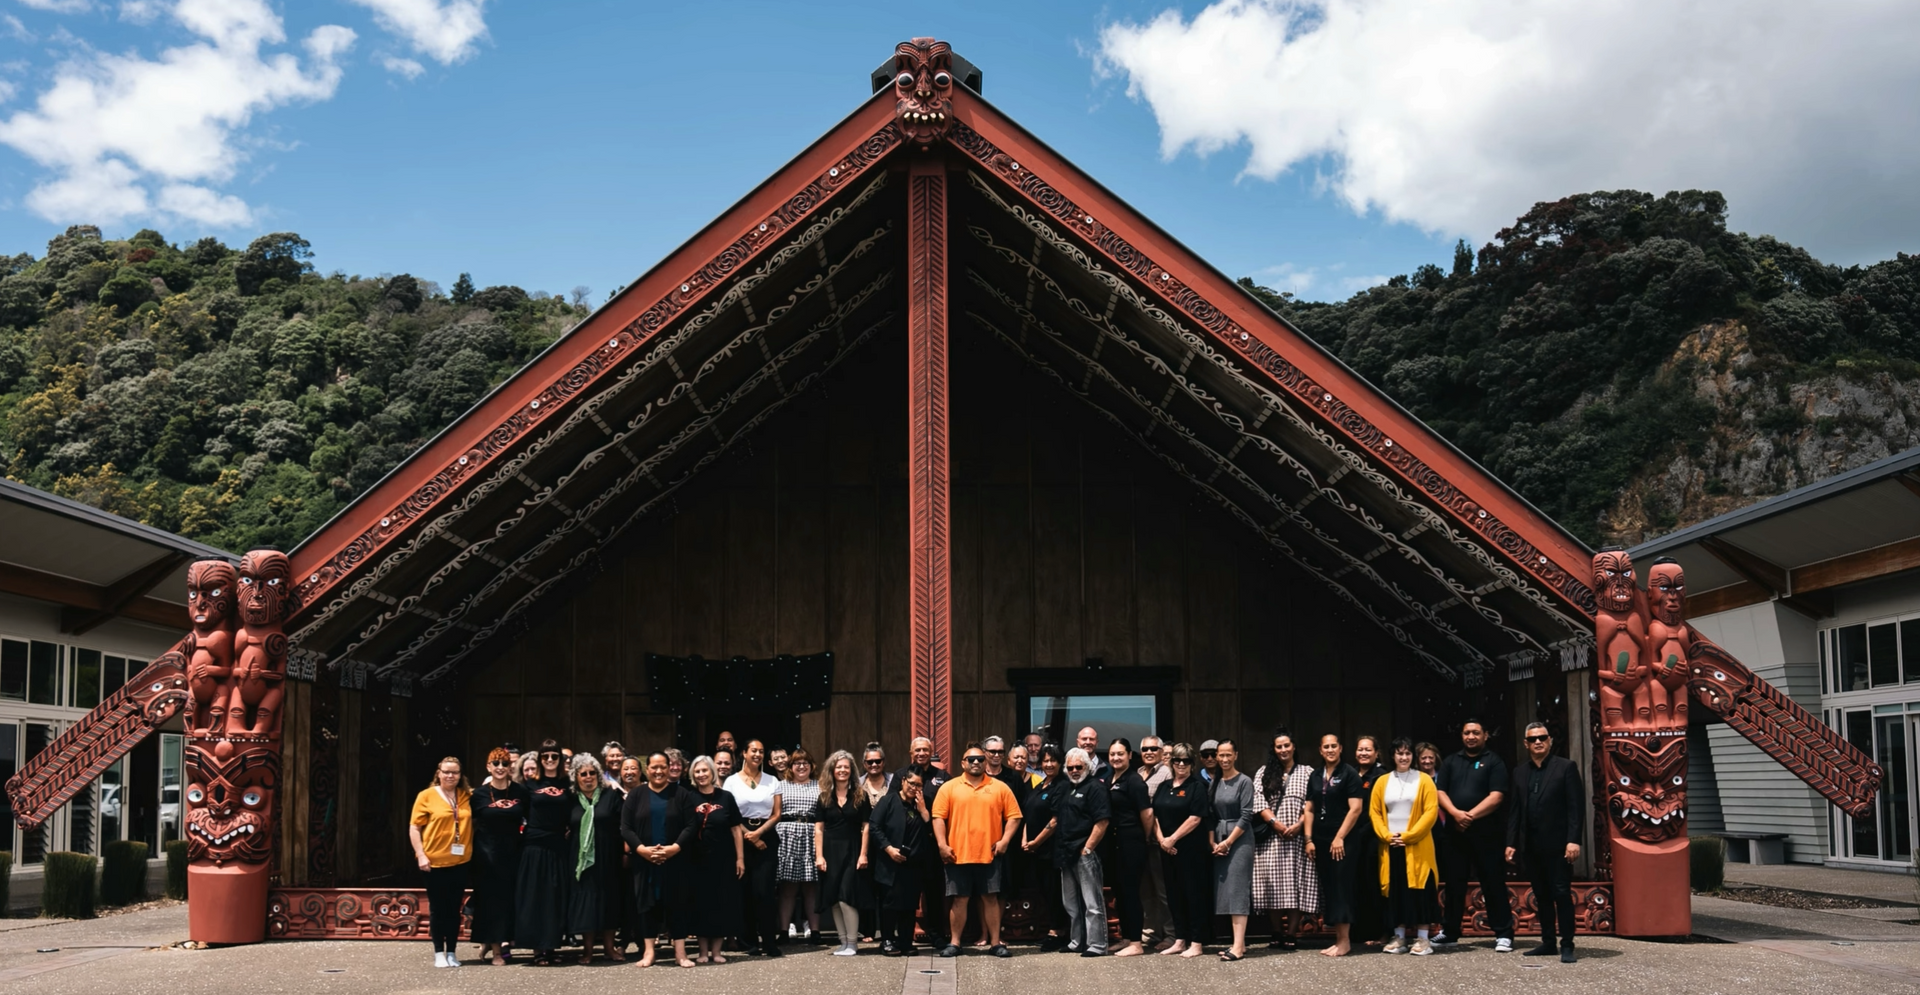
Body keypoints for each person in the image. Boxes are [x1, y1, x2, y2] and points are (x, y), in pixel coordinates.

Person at [932, 740, 1022, 958]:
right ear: (963, 763)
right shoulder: (949, 787)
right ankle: (954, 943)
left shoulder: (999, 787)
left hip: (989, 855)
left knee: (990, 899)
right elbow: (938, 818)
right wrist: (942, 845)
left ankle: (995, 943)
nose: (975, 762)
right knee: (959, 899)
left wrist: (1005, 841)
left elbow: (1014, 817)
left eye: (980, 759)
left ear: (985, 762)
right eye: (971, 759)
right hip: (957, 855)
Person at [1506, 722, 1583, 963]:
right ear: (1525, 743)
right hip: (1531, 845)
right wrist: (1511, 842)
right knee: (1541, 895)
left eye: (1543, 738)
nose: (1538, 742)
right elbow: (1514, 811)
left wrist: (1573, 840)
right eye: (1533, 739)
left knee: (1561, 893)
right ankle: (1548, 942)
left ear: (1549, 740)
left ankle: (1567, 943)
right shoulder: (1519, 772)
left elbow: (1575, 808)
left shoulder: (1566, 767)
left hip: (1559, 845)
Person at [1436, 718, 1514, 951]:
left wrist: (1468, 815)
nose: (1471, 737)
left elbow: (1497, 796)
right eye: (1467, 732)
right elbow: (1440, 791)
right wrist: (1454, 814)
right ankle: (1450, 931)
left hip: (1486, 833)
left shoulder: (1494, 761)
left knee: (1492, 882)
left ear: (1485, 735)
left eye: (1476, 733)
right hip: (1455, 832)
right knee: (1454, 883)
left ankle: (1503, 933)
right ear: (1462, 736)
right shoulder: (1451, 761)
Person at [621, 752, 695, 968]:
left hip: (675, 860)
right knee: (646, 906)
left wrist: (674, 848)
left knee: (677, 905)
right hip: (644, 861)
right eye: (654, 767)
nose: (659, 771)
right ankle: (649, 952)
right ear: (648, 769)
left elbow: (691, 825)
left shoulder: (681, 794)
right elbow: (625, 827)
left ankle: (680, 954)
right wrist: (642, 850)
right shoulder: (636, 795)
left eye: (663, 766)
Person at [1371, 738, 1441, 955]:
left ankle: (1422, 939)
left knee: (1421, 890)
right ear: (1392, 756)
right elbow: (1375, 812)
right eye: (1399, 753)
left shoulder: (1424, 780)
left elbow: (1431, 811)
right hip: (1391, 844)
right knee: (1396, 891)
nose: (1404, 757)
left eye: (1408, 753)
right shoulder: (1382, 781)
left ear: (1414, 756)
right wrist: (1386, 835)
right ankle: (1399, 938)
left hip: (1417, 846)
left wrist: (1410, 836)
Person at [1252, 729, 1316, 950]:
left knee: (1295, 884)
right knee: (1272, 884)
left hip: (1298, 837)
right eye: (1279, 746)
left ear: (1294, 746)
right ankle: (1276, 930)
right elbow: (1258, 799)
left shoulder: (1307, 772)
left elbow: (1312, 802)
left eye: (1286, 745)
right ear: (1274, 749)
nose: (1283, 750)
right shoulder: (1263, 772)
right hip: (1272, 836)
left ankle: (1291, 933)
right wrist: (1275, 823)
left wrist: (1299, 825)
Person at [1301, 733, 1362, 957]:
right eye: (1326, 746)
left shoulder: (1349, 774)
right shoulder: (1315, 775)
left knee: (1341, 888)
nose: (1330, 750)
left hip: (1343, 840)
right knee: (1329, 888)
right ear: (1320, 750)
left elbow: (1355, 809)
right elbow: (1309, 809)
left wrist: (1340, 837)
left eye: (1333, 746)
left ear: (1340, 748)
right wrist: (1308, 839)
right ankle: (1337, 939)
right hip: (1321, 839)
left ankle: (1344, 941)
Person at [409, 756, 473, 968]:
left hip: (459, 862)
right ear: (438, 773)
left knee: (454, 909)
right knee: (438, 909)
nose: (450, 776)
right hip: (433, 862)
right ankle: (438, 952)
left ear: (460, 775)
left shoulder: (466, 796)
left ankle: (452, 952)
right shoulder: (426, 796)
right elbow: (415, 827)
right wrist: (420, 854)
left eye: (454, 772)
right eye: (446, 771)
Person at [682, 755, 745, 964]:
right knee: (700, 904)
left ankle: (717, 951)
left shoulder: (726, 797)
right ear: (693, 774)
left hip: (723, 859)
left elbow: (736, 829)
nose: (701, 775)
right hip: (695, 860)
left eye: (705, 771)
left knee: (721, 903)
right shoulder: (688, 797)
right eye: (697, 771)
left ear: (712, 772)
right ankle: (702, 952)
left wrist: (740, 858)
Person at [871, 769, 941, 956]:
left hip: (915, 864)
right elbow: (874, 827)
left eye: (918, 785)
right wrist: (888, 849)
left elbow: (932, 831)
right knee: (890, 904)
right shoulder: (889, 801)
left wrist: (924, 812)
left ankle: (905, 941)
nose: (914, 788)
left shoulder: (923, 803)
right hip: (891, 862)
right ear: (903, 782)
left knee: (909, 905)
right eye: (911, 783)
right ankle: (886, 940)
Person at [724, 739, 784, 956]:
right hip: (740, 836)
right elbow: (730, 813)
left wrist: (759, 833)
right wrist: (749, 836)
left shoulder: (772, 780)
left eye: (761, 751)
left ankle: (769, 941)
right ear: (744, 753)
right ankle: (748, 942)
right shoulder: (731, 782)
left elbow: (777, 813)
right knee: (745, 891)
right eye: (754, 751)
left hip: (766, 835)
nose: (757, 754)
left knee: (765, 891)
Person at [469, 747, 528, 966]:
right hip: (486, 856)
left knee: (510, 901)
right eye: (496, 764)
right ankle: (495, 950)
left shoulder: (520, 792)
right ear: (488, 767)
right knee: (491, 903)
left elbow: (532, 818)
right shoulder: (479, 795)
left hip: (514, 854)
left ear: (511, 767)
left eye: (504, 764)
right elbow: (468, 823)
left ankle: (505, 943)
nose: (500, 768)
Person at [1152, 743, 1211, 957]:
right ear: (1171, 762)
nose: (1181, 764)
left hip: (1190, 849)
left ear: (1192, 763)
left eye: (1186, 761)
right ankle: (1179, 939)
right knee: (1173, 894)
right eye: (1177, 760)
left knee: (1193, 895)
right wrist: (1161, 840)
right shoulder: (1163, 786)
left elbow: (1195, 818)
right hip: (1167, 850)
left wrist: (1173, 839)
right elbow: (1155, 815)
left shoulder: (1198, 786)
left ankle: (1196, 942)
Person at [1050, 746, 1111, 956]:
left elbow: (1102, 821)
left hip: (1085, 853)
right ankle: (1077, 941)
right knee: (1071, 904)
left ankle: (1098, 945)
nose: (1074, 770)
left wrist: (1087, 849)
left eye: (1079, 766)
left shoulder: (1096, 787)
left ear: (1087, 767)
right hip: (1065, 854)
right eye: (1070, 767)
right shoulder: (1066, 787)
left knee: (1092, 903)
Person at [517, 740, 572, 965]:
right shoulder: (529, 785)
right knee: (536, 897)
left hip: (558, 845)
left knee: (555, 897)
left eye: (554, 756)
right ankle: (537, 948)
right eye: (545, 756)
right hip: (535, 846)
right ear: (539, 759)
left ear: (560, 759)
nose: (549, 760)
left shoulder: (567, 783)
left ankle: (551, 945)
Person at [567, 754, 624, 964]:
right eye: (583, 774)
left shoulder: (610, 795)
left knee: (609, 900)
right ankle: (588, 950)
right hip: (580, 860)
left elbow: (623, 823)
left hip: (608, 857)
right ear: (576, 777)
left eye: (592, 773)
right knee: (586, 903)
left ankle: (609, 948)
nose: (588, 777)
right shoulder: (571, 799)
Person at [815, 749, 871, 956]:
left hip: (852, 850)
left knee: (846, 897)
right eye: (839, 767)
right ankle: (843, 942)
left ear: (852, 771)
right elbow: (818, 829)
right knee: (834, 899)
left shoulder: (860, 795)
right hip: (830, 851)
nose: (842, 770)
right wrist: (819, 856)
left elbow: (866, 827)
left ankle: (853, 943)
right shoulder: (823, 796)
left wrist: (863, 854)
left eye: (846, 767)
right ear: (832, 769)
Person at [1207, 739, 1255, 961]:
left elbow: (1246, 815)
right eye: (1221, 755)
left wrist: (1228, 842)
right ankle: (1240, 943)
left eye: (1228, 755)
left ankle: (1236, 947)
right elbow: (1210, 815)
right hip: (1219, 836)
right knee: (1226, 891)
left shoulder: (1244, 781)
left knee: (1237, 890)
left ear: (1236, 755)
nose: (1224, 759)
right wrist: (1214, 842)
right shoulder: (1215, 782)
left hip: (1240, 838)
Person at [1018, 744, 1068, 950]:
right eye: (1045, 761)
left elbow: (1056, 820)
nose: (1048, 764)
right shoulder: (1040, 785)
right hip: (1033, 850)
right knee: (1043, 891)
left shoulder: (1062, 785)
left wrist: (1037, 842)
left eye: (1052, 761)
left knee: (1054, 890)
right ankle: (1051, 928)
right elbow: (1028, 815)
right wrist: (1024, 840)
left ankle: (1059, 932)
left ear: (1060, 763)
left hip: (1050, 850)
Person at [1103, 738, 1151, 957]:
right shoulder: (1109, 778)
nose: (1116, 757)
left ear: (1130, 755)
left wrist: (1144, 838)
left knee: (1130, 892)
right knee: (1119, 892)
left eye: (1120, 753)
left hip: (1131, 842)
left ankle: (1136, 943)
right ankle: (1125, 938)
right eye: (1112, 754)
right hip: (1114, 844)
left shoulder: (1135, 781)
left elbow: (1147, 814)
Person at [776, 748, 822, 944]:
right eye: (797, 763)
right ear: (790, 767)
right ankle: (784, 931)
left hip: (811, 834)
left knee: (811, 887)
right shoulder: (780, 786)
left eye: (805, 763)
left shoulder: (820, 786)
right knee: (788, 887)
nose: (801, 766)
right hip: (786, 836)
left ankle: (815, 931)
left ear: (811, 766)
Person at [1136, 735, 1174, 950]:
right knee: (1146, 891)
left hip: (1160, 840)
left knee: (1163, 890)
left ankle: (1171, 934)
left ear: (1161, 752)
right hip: (1141, 841)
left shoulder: (1166, 773)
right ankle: (1150, 933)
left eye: (1153, 749)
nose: (1149, 752)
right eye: (1145, 749)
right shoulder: (1139, 773)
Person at [1350, 735, 1388, 946]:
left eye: (1368, 750)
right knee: (1357, 884)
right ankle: (1359, 931)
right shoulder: (1350, 773)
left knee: (1374, 884)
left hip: (1373, 836)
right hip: (1352, 836)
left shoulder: (1382, 776)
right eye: (1360, 749)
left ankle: (1381, 932)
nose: (1363, 753)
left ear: (1376, 753)